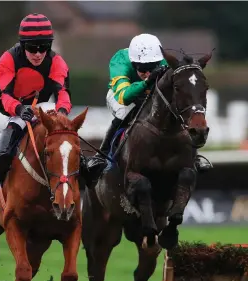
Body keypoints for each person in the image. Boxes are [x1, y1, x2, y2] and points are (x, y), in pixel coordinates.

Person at [87, 33, 212, 182]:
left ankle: (193, 156)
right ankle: (102, 154)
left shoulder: (164, 61)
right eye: (142, 68)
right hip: (121, 95)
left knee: (172, 108)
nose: (147, 72)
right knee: (124, 111)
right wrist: (147, 82)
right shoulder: (120, 60)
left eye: (151, 67)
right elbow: (124, 97)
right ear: (133, 63)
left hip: (150, 94)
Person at [0, 13, 75, 187]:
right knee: (15, 127)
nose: (38, 54)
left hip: (40, 106)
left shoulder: (56, 61)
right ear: (22, 46)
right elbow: (3, 96)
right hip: (6, 110)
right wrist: (20, 109)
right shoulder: (8, 60)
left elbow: (63, 93)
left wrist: (62, 113)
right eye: (32, 48)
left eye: (43, 47)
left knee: (64, 131)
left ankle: (84, 171)